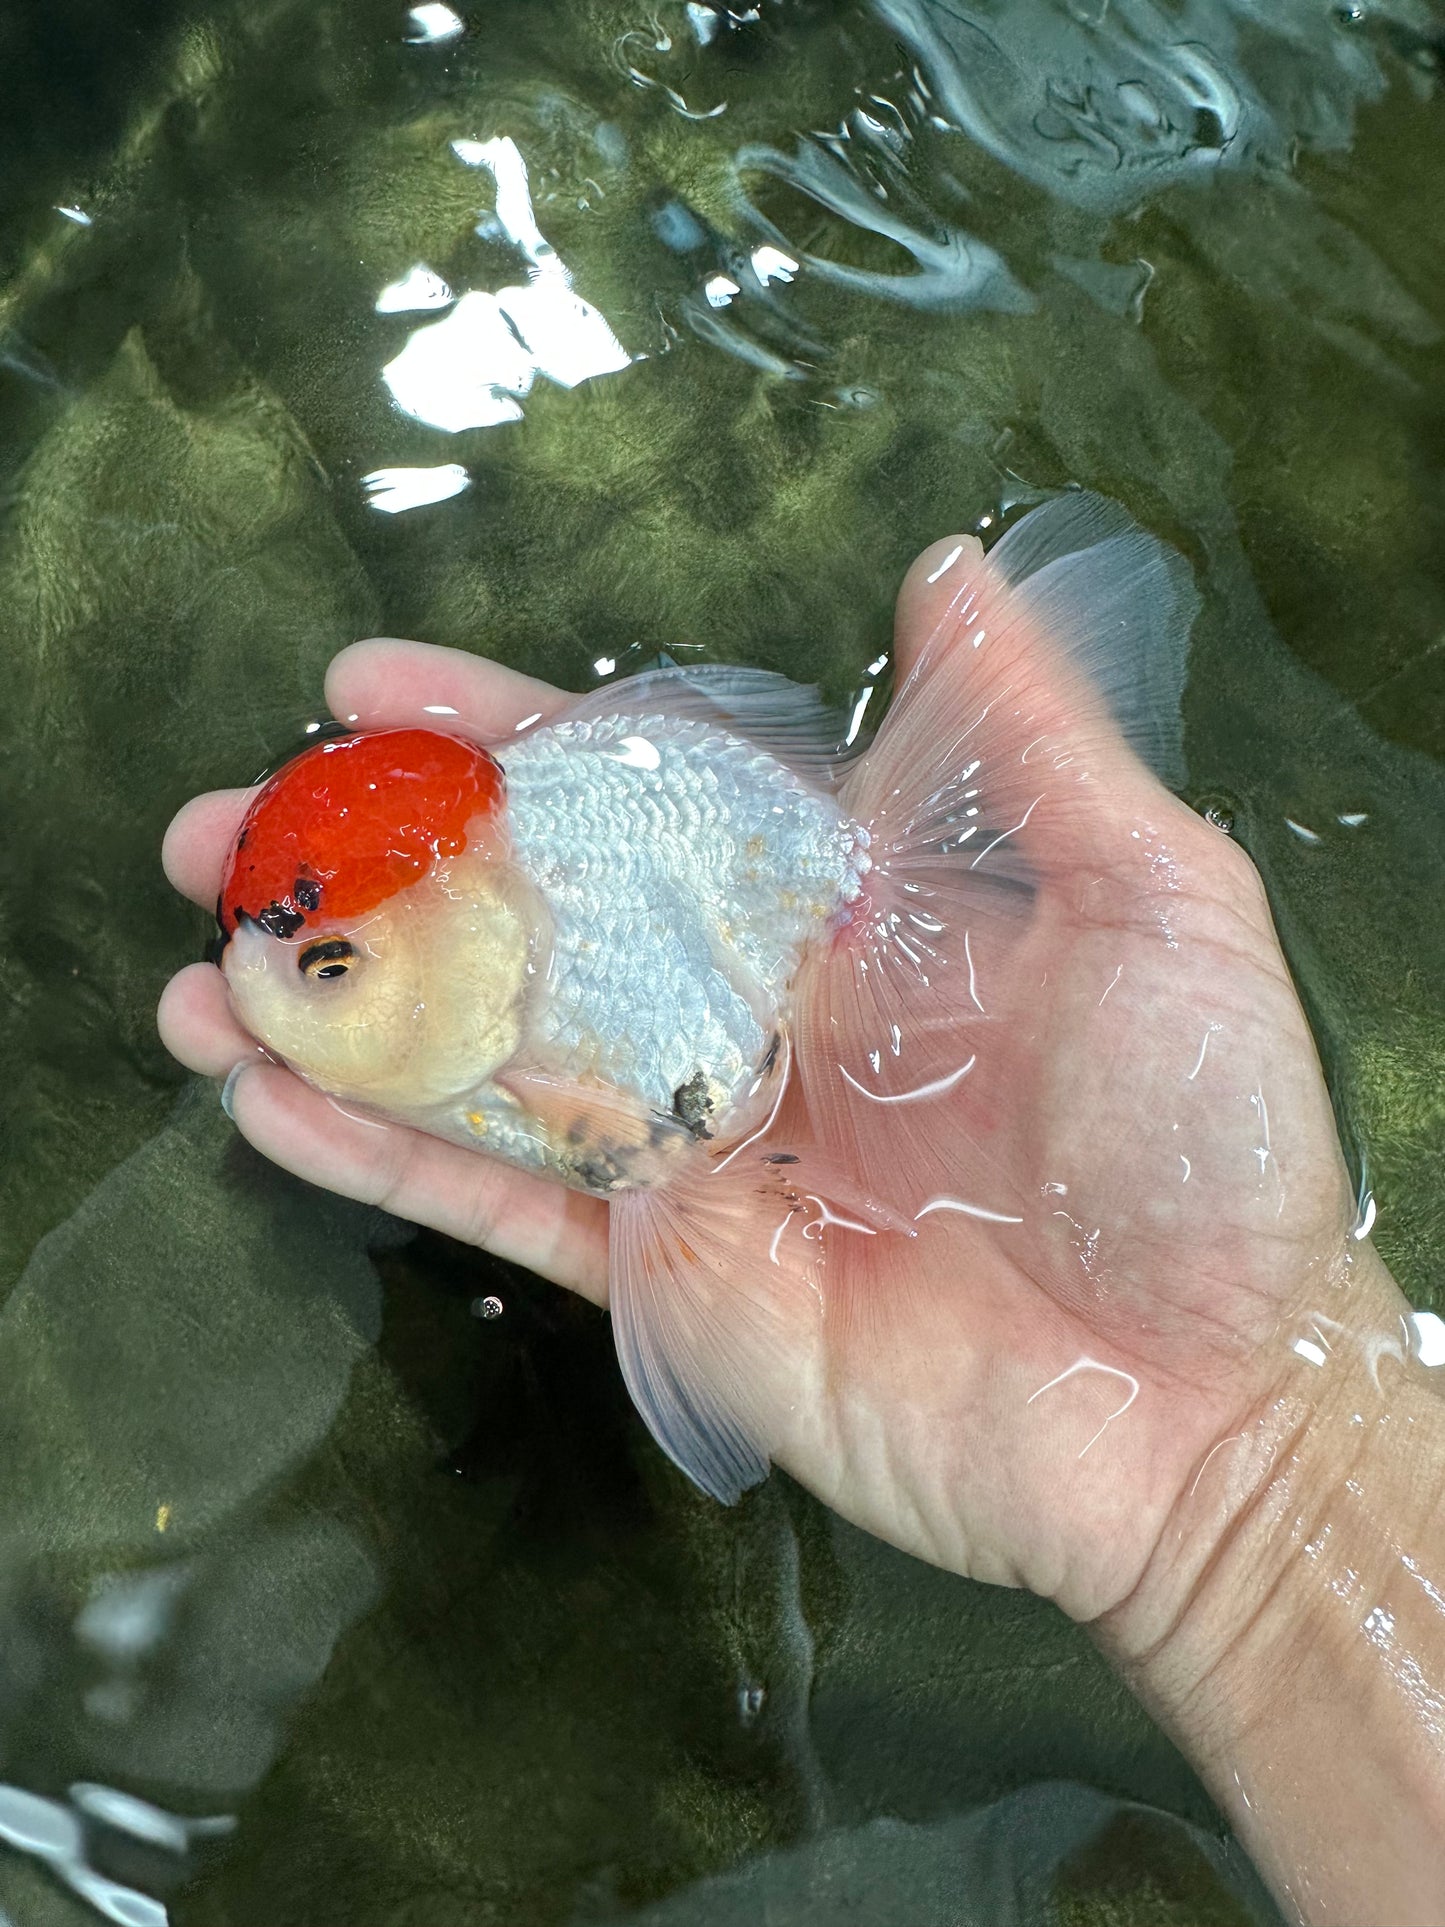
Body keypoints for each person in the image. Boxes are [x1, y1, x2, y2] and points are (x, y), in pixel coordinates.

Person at [159, 535, 1445, 1927]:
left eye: (331, 966)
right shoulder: (491, 968)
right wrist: (1270, 1490)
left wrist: (1260, 1480)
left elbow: (653, 1143)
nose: (283, 997)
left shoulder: (585, 957)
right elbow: (649, 1154)